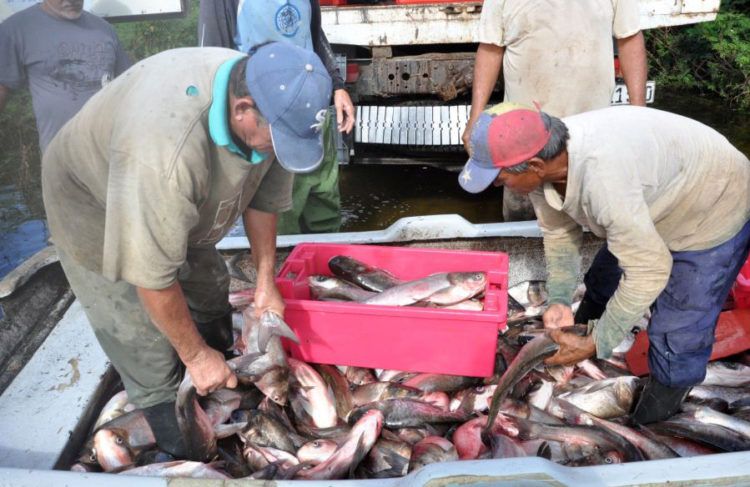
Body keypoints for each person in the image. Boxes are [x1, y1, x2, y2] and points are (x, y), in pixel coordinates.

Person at [41, 42, 333, 457]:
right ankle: (175, 428)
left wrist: (267, 282)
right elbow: (153, 279)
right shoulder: (163, 153)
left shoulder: (275, 106)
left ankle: (216, 369)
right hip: (93, 200)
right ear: (242, 109)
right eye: (278, 137)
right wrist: (195, 357)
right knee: (147, 348)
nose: (279, 146)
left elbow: (264, 199)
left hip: (171, 188)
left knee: (209, 290)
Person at [459, 102, 750, 424]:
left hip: (714, 205)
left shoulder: (605, 181)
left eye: (499, 179)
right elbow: (559, 232)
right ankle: (580, 339)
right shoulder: (541, 156)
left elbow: (649, 271)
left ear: (536, 165)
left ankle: (654, 420)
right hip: (648, 200)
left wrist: (600, 340)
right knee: (602, 281)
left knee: (677, 333)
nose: (497, 185)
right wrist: (558, 298)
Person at [462, 0, 647, 221]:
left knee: (599, 220)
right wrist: (475, 118)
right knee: (522, 223)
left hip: (590, 133)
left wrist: (640, 115)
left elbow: (629, 38)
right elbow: (491, 48)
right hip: (521, 140)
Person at [198, 0, 355, 234]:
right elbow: (211, 53)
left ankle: (325, 252)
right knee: (276, 206)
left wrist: (337, 85)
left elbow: (314, 33)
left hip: (311, 103)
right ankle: (281, 263)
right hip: (265, 112)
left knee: (324, 197)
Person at [0, 0, 131, 153]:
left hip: (110, 150)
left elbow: (128, 85)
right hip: (61, 157)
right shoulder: (16, 29)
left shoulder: (105, 29)